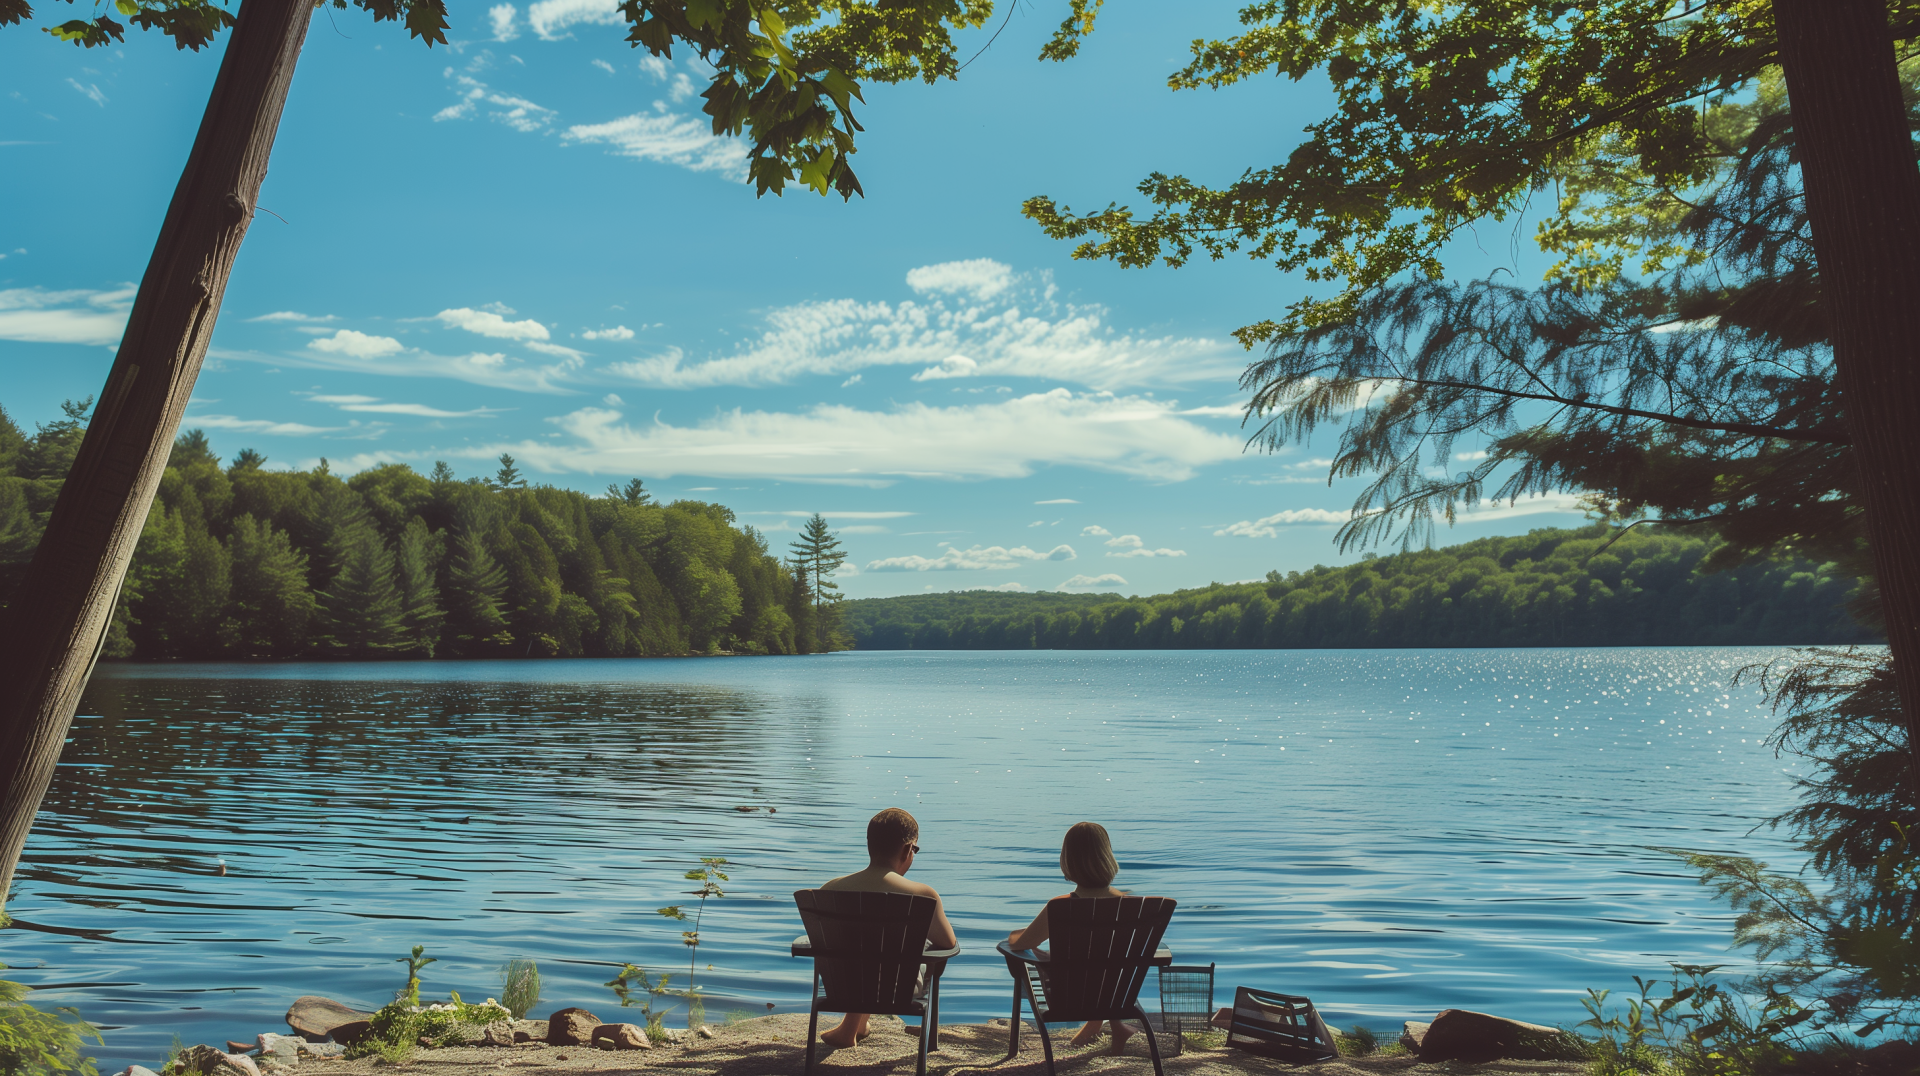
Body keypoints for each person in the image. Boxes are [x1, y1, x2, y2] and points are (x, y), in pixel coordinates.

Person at [816, 807, 957, 1050]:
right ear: (907, 850)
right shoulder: (922, 895)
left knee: (862, 948)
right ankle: (856, 1029)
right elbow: (948, 944)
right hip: (900, 989)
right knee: (922, 947)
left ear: (870, 844)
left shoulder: (830, 890)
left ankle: (852, 1028)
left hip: (842, 985)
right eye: (915, 849)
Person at [1005, 821, 1138, 1049]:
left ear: (1067, 861)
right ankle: (1114, 1027)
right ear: (1107, 856)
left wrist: (1017, 938)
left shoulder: (1060, 908)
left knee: (1015, 955)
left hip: (1068, 997)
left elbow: (1020, 944)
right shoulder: (1132, 906)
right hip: (1119, 994)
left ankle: (1104, 1028)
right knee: (1105, 964)